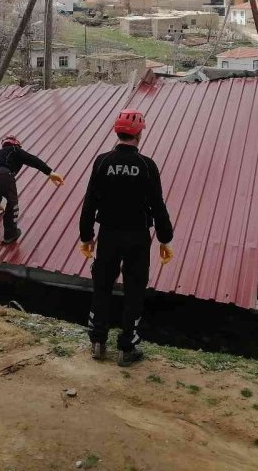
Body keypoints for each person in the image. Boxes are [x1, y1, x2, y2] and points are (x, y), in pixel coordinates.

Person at [79, 109, 173, 367]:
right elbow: (157, 205)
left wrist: (86, 235)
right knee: (134, 289)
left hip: (108, 234)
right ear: (139, 133)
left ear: (116, 131)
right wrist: (165, 238)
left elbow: (90, 203)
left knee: (102, 286)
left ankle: (98, 342)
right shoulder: (147, 166)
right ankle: (126, 347)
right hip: (137, 237)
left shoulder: (102, 162)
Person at [0, 135, 64, 249]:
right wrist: (50, 173)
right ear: (17, 144)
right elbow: (33, 160)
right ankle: (10, 233)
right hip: (2, 174)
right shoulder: (15, 150)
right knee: (12, 202)